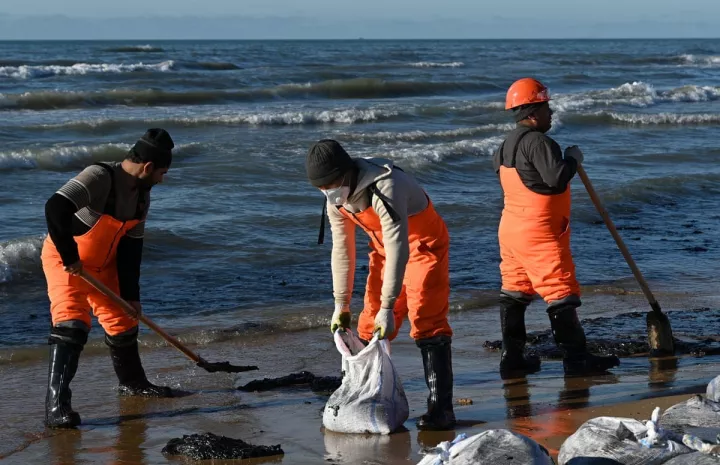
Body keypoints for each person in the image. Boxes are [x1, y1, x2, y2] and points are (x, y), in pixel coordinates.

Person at [305, 139, 455, 430]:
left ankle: (441, 410)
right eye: (321, 188)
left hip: (423, 246)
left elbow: (401, 247)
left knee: (426, 319)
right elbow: (342, 249)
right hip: (385, 251)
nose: (328, 192)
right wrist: (341, 304)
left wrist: (390, 306)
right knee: (367, 324)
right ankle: (360, 397)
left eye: (331, 184)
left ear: (346, 173)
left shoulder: (386, 186)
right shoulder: (335, 198)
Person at [41, 128, 175, 429]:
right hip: (66, 262)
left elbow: (131, 248)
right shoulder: (99, 176)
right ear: (148, 167)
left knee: (125, 320)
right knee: (72, 324)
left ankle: (133, 383)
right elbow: (55, 208)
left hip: (105, 266)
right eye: (162, 173)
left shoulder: (142, 197)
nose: (161, 180)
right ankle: (56, 406)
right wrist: (70, 256)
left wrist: (132, 296)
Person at [493, 78, 620, 376]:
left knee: (515, 291)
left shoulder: (505, 145)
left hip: (511, 230)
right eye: (547, 107)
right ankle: (577, 360)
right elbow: (556, 178)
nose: (552, 114)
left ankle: (512, 360)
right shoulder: (539, 142)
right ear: (533, 112)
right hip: (537, 232)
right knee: (559, 291)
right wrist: (573, 159)